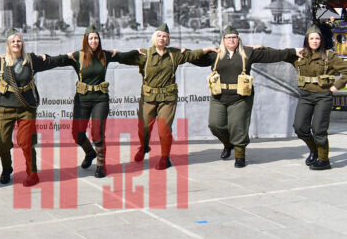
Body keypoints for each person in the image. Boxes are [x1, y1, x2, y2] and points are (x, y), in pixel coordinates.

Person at [0, 28, 72, 187]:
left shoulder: (31, 60)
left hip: (27, 108)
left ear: (22, 44)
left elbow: (52, 61)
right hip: (5, 108)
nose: (16, 43)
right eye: (13, 41)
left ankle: (32, 173)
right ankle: (6, 169)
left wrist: (69, 57)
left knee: (26, 141)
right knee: (2, 142)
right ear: (8, 44)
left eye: (19, 41)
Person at [190, 25, 299, 167]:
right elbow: (193, 58)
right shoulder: (215, 54)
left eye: (234, 37)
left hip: (241, 97)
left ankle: (240, 155)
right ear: (223, 40)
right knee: (215, 125)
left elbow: (273, 55)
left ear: (238, 39)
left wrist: (293, 51)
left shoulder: (248, 52)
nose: (231, 40)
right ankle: (228, 144)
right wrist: (200, 50)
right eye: (228, 38)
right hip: (219, 96)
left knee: (238, 126)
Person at [124, 23, 213, 170]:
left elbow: (193, 55)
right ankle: (144, 147)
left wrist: (207, 49)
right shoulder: (144, 55)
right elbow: (123, 58)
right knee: (143, 127)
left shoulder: (174, 54)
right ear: (154, 38)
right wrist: (115, 53)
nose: (162, 38)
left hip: (168, 98)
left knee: (164, 129)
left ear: (168, 39)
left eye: (165, 36)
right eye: (159, 35)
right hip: (148, 98)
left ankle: (165, 157)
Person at [66, 25, 139, 178]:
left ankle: (100, 165)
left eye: (96, 38)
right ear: (86, 40)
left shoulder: (105, 55)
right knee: (77, 134)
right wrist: (43, 58)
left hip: (100, 99)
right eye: (91, 38)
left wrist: (137, 52)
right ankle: (90, 152)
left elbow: (125, 57)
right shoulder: (77, 56)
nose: (94, 41)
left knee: (97, 133)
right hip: (82, 100)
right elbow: (56, 61)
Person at [286, 25, 347, 170]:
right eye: (311, 38)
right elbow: (278, 54)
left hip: (323, 96)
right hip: (306, 96)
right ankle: (314, 150)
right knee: (300, 127)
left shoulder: (329, 56)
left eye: (317, 38)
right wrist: (259, 48)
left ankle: (324, 159)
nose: (315, 41)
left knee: (319, 129)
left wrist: (336, 86)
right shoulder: (300, 55)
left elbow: (346, 71)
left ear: (321, 40)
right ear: (307, 40)